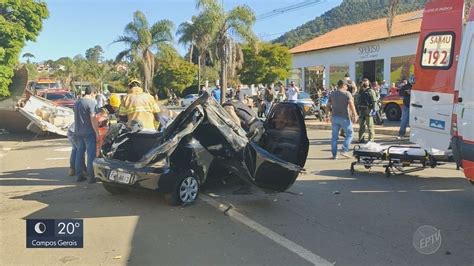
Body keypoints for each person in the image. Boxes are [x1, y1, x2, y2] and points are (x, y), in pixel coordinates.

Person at [73, 86, 99, 183]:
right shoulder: (91, 102)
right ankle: (92, 177)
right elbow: (93, 118)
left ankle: (79, 175)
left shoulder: (77, 102)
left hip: (78, 131)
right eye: (95, 94)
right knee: (91, 154)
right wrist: (96, 131)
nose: (94, 97)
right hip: (89, 132)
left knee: (79, 153)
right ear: (92, 93)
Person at [327, 80, 358, 159]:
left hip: (334, 117)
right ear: (343, 85)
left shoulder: (332, 94)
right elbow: (351, 104)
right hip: (344, 117)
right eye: (346, 86)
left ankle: (334, 155)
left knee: (334, 136)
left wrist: (327, 114)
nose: (347, 87)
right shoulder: (347, 93)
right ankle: (344, 150)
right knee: (350, 134)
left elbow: (328, 105)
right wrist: (355, 114)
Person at [357, 78, 377, 143]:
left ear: (368, 83)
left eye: (366, 81)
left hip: (368, 109)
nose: (364, 82)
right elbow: (357, 100)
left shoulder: (371, 91)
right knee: (361, 125)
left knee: (370, 125)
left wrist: (374, 110)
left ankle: (371, 140)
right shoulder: (360, 91)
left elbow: (374, 101)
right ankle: (361, 138)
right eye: (363, 81)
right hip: (361, 109)